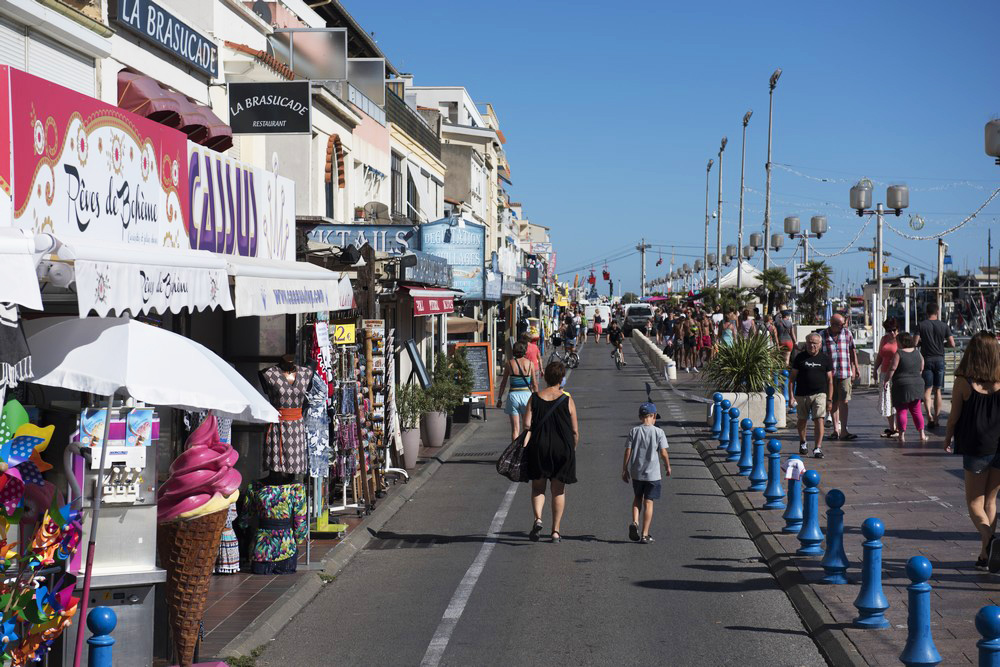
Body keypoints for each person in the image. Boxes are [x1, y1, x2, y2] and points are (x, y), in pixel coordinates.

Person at [943, 332, 1000, 571]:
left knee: (974, 503)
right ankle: (985, 555)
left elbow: (953, 417)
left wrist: (947, 439)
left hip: (976, 447)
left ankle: (990, 540)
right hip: (999, 446)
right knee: (991, 500)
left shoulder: (963, 382)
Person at [523, 361, 579, 543]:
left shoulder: (535, 397)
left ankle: (538, 518)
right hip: (562, 448)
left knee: (538, 487)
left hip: (539, 446)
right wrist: (573, 447)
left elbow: (526, 425)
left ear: (545, 377)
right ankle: (555, 531)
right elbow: (575, 431)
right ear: (562, 379)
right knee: (558, 490)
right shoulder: (567, 399)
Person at [621, 401, 671, 544]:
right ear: (653, 416)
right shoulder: (659, 432)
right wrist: (667, 466)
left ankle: (635, 522)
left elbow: (628, 451)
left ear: (640, 416)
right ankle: (645, 534)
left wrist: (624, 469)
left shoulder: (634, 431)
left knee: (637, 498)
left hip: (637, 472)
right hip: (652, 474)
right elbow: (663, 452)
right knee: (648, 502)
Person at [789, 333, 834, 458]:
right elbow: (792, 379)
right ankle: (803, 442)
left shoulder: (825, 359)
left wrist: (829, 399)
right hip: (801, 394)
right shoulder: (799, 358)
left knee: (819, 419)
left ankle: (817, 448)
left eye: (814, 343)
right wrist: (791, 396)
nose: (812, 345)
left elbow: (830, 380)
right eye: (809, 342)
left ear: (820, 345)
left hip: (820, 393)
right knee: (802, 420)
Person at [914, 302, 955, 428]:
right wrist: (942, 345)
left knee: (927, 390)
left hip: (927, 360)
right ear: (937, 312)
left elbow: (914, 342)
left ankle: (929, 417)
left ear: (926, 312)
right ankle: (937, 418)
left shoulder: (921, 325)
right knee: (938, 390)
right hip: (940, 359)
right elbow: (952, 344)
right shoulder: (944, 326)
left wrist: (922, 343)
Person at [821, 314, 859, 440]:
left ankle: (844, 430)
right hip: (829, 375)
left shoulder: (847, 333)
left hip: (845, 372)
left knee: (844, 401)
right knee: (833, 401)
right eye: (841, 324)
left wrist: (855, 368)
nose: (843, 326)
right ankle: (836, 430)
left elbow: (853, 351)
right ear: (833, 324)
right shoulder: (822, 335)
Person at [888, 332, 927, 444]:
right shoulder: (917, 353)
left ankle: (902, 436)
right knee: (917, 411)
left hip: (902, 385)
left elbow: (892, 368)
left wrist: (886, 380)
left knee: (902, 411)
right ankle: (922, 434)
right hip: (917, 384)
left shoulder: (899, 353)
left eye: (897, 342)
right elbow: (922, 366)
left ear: (901, 342)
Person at [496, 341, 538, 441]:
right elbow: (534, 384)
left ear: (514, 351)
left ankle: (515, 453)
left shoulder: (509, 364)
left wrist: (499, 399)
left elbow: (503, 383)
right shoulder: (530, 364)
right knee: (527, 428)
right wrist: (537, 400)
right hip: (527, 397)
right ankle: (525, 451)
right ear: (524, 351)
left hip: (513, 396)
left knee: (515, 429)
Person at [876, 318, 900, 437]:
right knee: (887, 401)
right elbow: (880, 356)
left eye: (893, 330)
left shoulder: (901, 340)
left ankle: (900, 428)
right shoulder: (884, 340)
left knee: (897, 401)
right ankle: (892, 428)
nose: (891, 332)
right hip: (885, 373)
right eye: (888, 330)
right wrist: (875, 369)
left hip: (897, 374)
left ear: (897, 329)